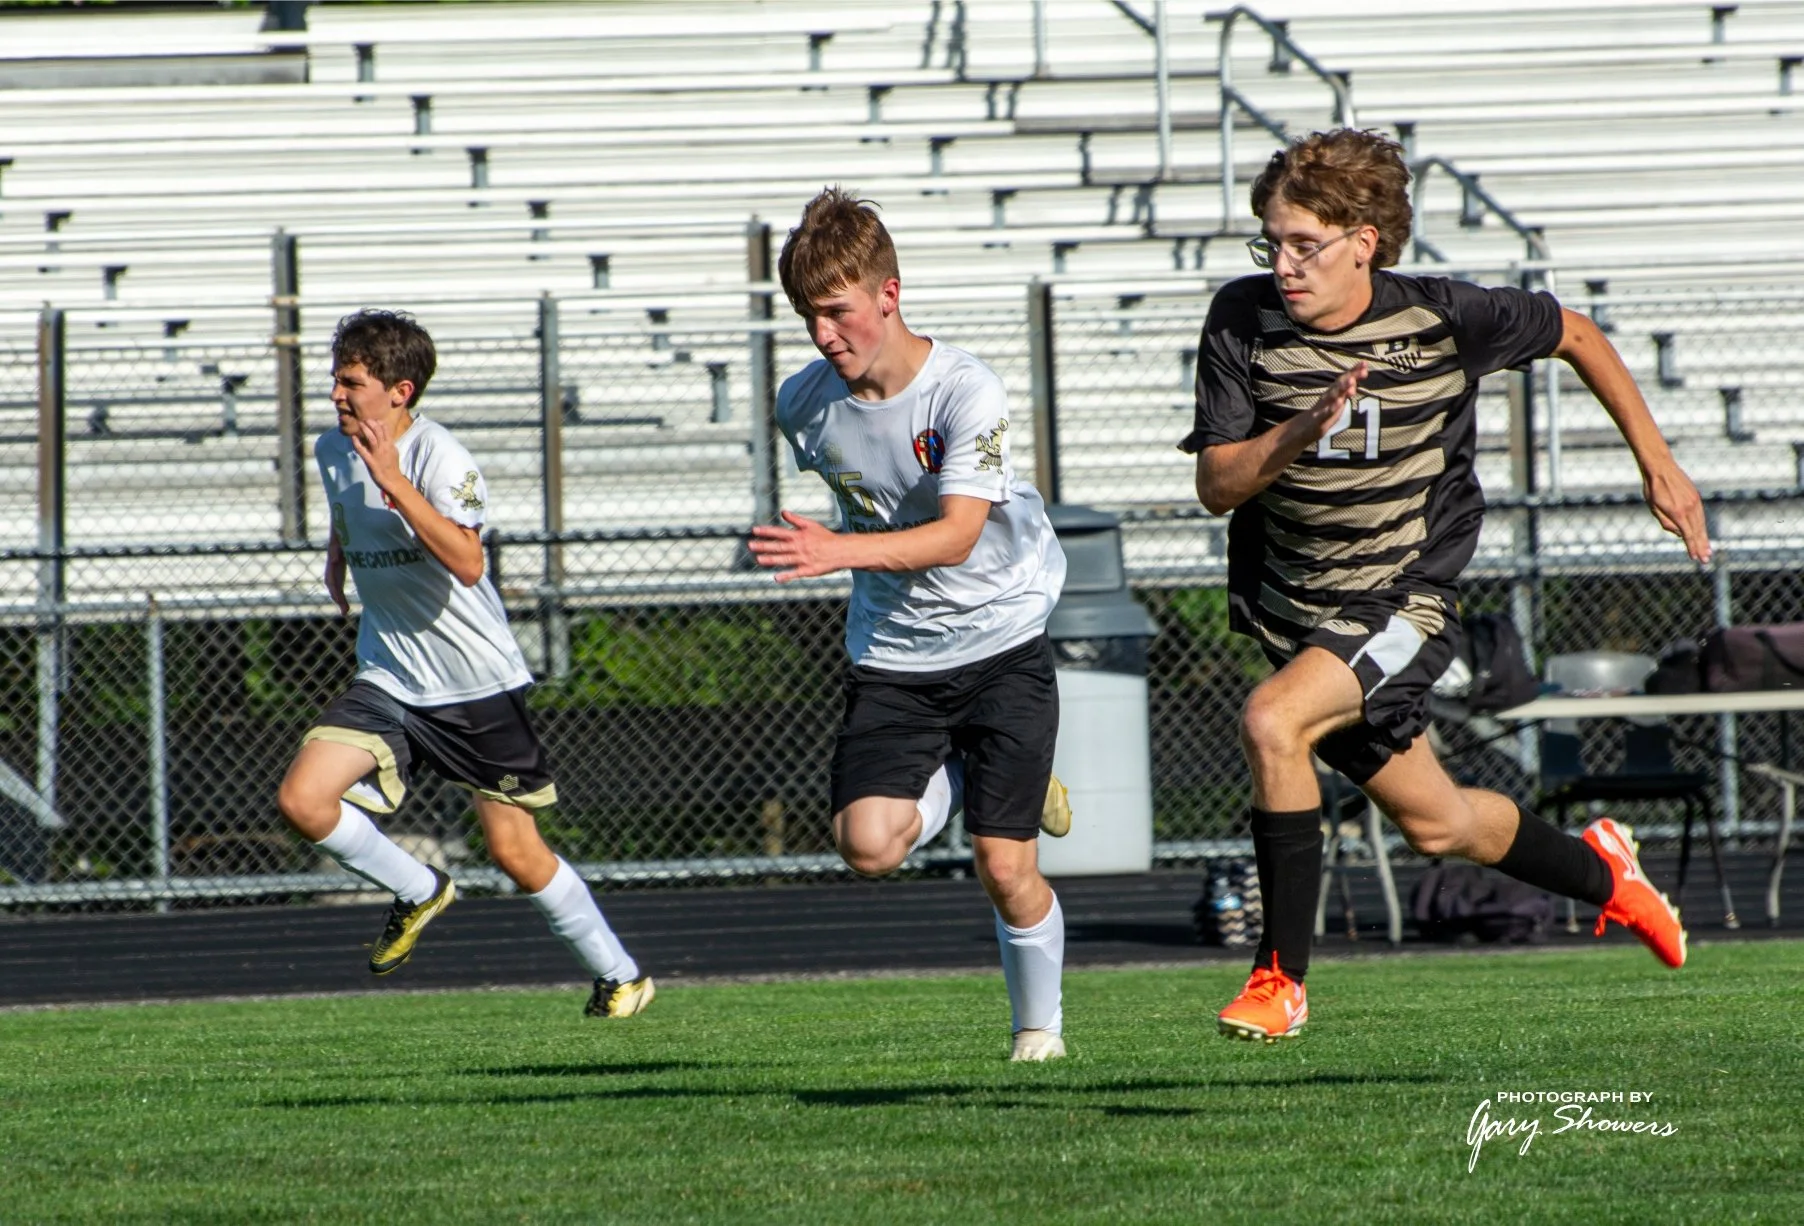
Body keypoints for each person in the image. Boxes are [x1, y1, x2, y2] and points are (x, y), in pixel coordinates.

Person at [1181, 130, 1711, 1042]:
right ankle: (1608, 875)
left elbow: (1574, 332)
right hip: (1295, 614)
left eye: (1304, 243)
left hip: (1401, 599)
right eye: (1269, 241)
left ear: (1365, 241)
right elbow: (1217, 486)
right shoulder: (1241, 319)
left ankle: (1280, 978)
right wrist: (1298, 432)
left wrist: (1657, 463)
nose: (1283, 263)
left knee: (1274, 720)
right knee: (1439, 825)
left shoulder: (1441, 317)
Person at [748, 187, 1075, 1061]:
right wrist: (836, 550)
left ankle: (1037, 1032)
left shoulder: (966, 389)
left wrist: (837, 555)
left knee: (1006, 869)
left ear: (888, 294)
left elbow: (961, 534)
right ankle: (974, 775)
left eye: (837, 311)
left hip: (1002, 639)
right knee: (867, 846)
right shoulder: (802, 404)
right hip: (896, 656)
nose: (823, 334)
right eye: (808, 316)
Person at [275, 309, 653, 1019]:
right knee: (303, 799)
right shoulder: (333, 447)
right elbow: (345, 507)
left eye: (350, 382)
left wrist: (394, 480)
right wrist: (336, 553)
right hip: (388, 675)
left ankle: (620, 975)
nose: (336, 394)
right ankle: (418, 888)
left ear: (400, 390)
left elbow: (469, 561)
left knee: (515, 851)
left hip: (475, 686)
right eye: (334, 379)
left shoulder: (441, 456)